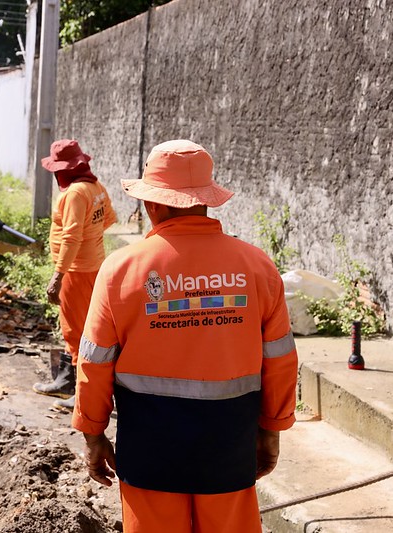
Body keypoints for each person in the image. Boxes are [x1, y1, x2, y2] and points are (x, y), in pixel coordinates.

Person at [72, 139, 298, 532]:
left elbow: (94, 360)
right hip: (228, 445)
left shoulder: (120, 270)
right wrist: (271, 429)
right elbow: (280, 360)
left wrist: (93, 433)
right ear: (205, 201)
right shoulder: (257, 267)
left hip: (149, 449)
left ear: (153, 204)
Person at [32, 139, 117, 410]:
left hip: (76, 272)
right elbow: (108, 220)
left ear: (63, 170)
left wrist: (58, 276)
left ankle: (83, 395)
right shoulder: (96, 188)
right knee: (87, 327)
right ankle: (68, 382)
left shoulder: (74, 194)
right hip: (93, 267)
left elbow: (71, 236)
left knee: (76, 331)